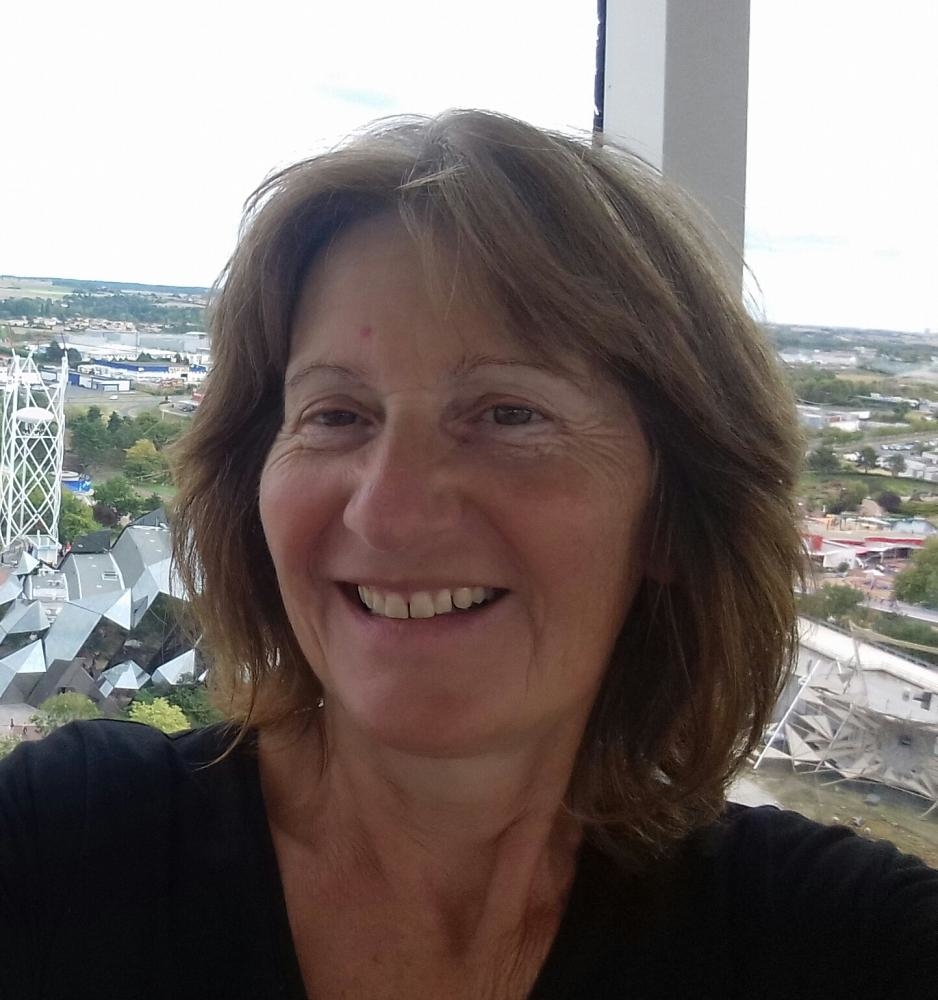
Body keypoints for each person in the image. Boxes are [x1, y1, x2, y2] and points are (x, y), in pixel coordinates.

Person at [1, 110, 936, 1000]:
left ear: (672, 512)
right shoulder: (62, 852)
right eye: (336, 414)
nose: (389, 513)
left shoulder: (833, 946)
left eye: (509, 414)